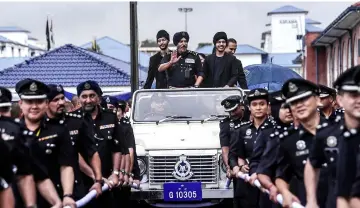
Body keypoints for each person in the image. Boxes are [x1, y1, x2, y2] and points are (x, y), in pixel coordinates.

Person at [16, 79, 76, 208]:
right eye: (29, 102)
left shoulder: (59, 130)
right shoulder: (10, 133)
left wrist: (67, 195)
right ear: (20, 104)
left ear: (46, 103)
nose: (34, 106)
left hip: (53, 199)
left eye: (39, 101)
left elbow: (66, 166)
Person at [45, 84, 103, 206]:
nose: (61, 102)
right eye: (56, 100)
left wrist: (98, 179)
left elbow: (91, 152)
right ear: (46, 103)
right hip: (48, 188)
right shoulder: (39, 126)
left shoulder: (76, 122)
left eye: (62, 98)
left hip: (75, 188)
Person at [274, 78, 328, 207]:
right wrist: (285, 192)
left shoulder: (340, 131)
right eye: (293, 102)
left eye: (304, 99)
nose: (299, 105)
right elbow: (282, 176)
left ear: (318, 100)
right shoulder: (288, 140)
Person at [76, 80, 130, 207]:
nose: (88, 100)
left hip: (108, 182)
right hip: (82, 183)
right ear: (79, 99)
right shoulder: (72, 120)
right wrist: (96, 177)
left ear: (99, 98)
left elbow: (117, 148)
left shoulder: (110, 117)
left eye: (92, 96)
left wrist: (116, 173)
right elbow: (74, 154)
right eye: (84, 96)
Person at [229, 88, 273, 208]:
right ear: (249, 107)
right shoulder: (241, 130)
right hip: (247, 181)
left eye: (262, 104)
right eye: (254, 105)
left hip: (269, 181)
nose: (258, 108)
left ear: (268, 106)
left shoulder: (275, 129)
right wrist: (238, 167)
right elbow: (232, 155)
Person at [255, 90, 293, 208]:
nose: (289, 111)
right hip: (272, 190)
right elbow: (256, 161)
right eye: (284, 108)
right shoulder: (268, 134)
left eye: (291, 107)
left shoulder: (301, 133)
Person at [219, 95, 246, 207]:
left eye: (234, 110)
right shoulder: (225, 124)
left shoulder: (252, 116)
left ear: (241, 106)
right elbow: (225, 148)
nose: (232, 114)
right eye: (229, 111)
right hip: (235, 161)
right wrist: (229, 167)